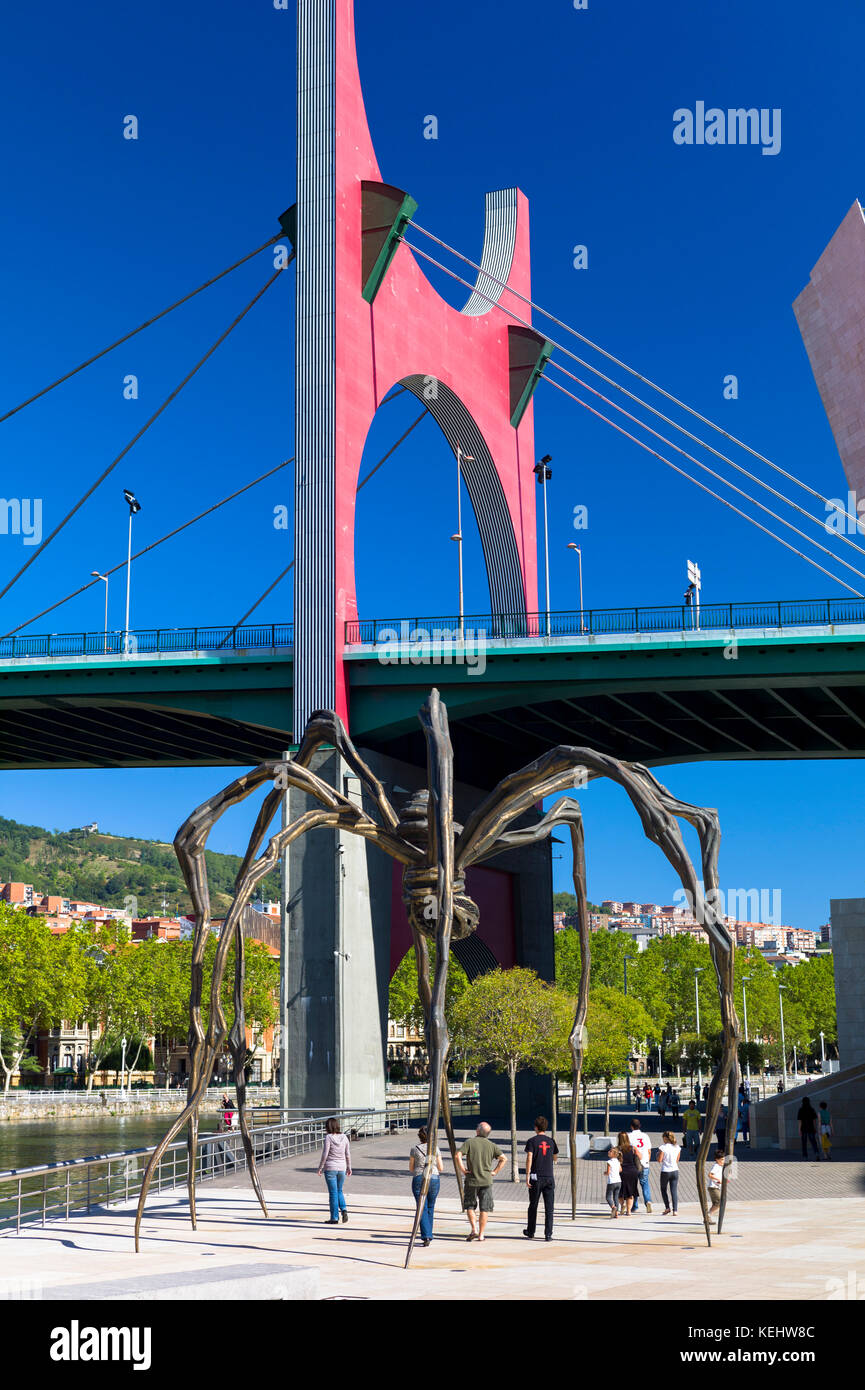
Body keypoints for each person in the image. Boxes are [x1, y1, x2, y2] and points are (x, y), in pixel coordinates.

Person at [457, 1122, 506, 1241]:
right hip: (486, 1181)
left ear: (477, 1131)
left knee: (469, 1205)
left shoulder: (469, 1142)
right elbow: (504, 1158)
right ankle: (481, 1234)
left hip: (471, 1180)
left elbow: (457, 1155)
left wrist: (463, 1170)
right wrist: (494, 1172)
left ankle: (474, 1229)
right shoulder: (492, 1145)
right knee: (485, 1208)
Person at [523, 1116, 558, 1242]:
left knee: (533, 1205)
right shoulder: (551, 1141)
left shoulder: (532, 1141)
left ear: (536, 1128)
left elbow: (529, 1157)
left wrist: (527, 1175)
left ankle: (531, 1231)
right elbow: (555, 1156)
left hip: (535, 1177)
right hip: (549, 1177)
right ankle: (548, 1234)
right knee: (549, 1207)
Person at [408, 1125, 443, 1247]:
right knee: (431, 1206)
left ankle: (426, 1235)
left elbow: (411, 1168)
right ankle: (428, 1233)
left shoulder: (415, 1149)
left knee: (421, 1206)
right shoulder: (435, 1148)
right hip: (433, 1177)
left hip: (419, 1177)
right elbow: (441, 1167)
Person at [317, 1117, 352, 1224]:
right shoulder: (345, 1137)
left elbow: (325, 1154)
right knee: (339, 1190)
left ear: (328, 1127)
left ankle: (334, 1218)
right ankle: (344, 1209)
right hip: (342, 1168)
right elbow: (347, 1154)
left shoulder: (328, 1137)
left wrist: (320, 1167)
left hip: (330, 1168)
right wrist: (349, 1167)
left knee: (333, 1193)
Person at [628, 1116, 653, 1213]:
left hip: (634, 1164)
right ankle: (648, 1201)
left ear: (631, 1127)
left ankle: (635, 1205)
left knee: (633, 1185)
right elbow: (649, 1150)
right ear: (640, 1126)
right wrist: (647, 1161)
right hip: (645, 1164)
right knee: (645, 1183)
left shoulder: (629, 1136)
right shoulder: (645, 1136)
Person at [656, 1131, 681, 1215]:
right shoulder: (677, 1147)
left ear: (665, 1138)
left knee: (663, 1189)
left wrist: (657, 1155)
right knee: (674, 1190)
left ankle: (667, 1207)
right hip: (675, 1170)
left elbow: (659, 1160)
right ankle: (675, 1210)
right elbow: (677, 1160)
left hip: (665, 1171)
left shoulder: (662, 1147)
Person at [618, 1132, 640, 1215]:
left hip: (621, 1172)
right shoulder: (633, 1148)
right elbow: (639, 1157)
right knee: (630, 1192)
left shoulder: (617, 1149)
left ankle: (622, 1205)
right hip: (632, 1171)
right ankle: (629, 1211)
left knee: (620, 1192)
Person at [707, 1148, 725, 1223]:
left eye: (723, 1159)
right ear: (716, 1159)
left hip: (716, 1187)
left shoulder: (719, 1167)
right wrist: (718, 1180)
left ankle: (708, 1217)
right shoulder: (716, 1166)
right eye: (721, 1160)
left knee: (716, 1203)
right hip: (713, 1187)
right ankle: (708, 1215)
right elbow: (710, 1175)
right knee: (719, 1202)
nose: (723, 1161)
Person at [605, 1145, 622, 1217]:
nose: (608, 1152)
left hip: (611, 1181)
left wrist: (605, 1173)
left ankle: (613, 1207)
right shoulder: (617, 1161)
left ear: (613, 1154)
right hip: (618, 1181)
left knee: (608, 1197)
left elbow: (608, 1172)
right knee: (616, 1197)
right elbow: (621, 1170)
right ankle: (617, 1213)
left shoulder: (609, 1162)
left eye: (610, 1151)